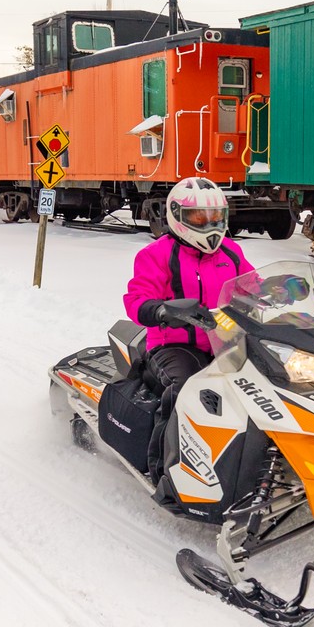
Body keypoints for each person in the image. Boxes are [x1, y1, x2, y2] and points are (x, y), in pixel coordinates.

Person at [123, 178, 252, 487]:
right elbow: (137, 299)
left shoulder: (231, 252)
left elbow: (253, 286)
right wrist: (162, 311)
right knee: (185, 390)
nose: (209, 225)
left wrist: (288, 292)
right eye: (198, 217)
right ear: (178, 215)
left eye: (215, 217)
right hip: (174, 345)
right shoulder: (157, 254)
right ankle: (165, 470)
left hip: (226, 343)